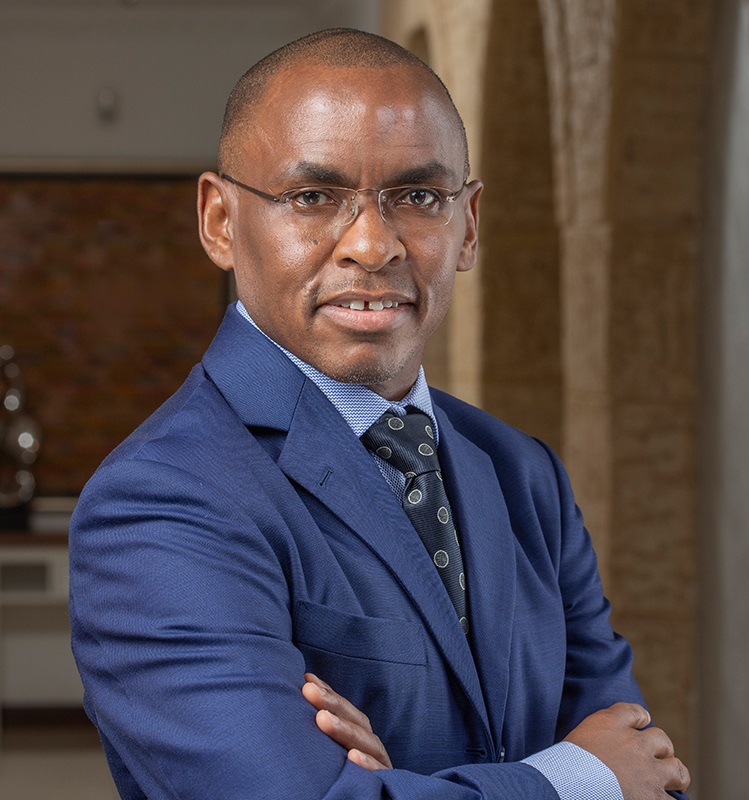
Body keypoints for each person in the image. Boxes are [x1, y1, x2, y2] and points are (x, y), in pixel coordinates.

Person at [69, 28, 690, 800]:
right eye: (314, 197)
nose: (372, 245)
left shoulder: (523, 474)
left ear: (468, 225)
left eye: (418, 196)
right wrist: (573, 777)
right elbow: (610, 772)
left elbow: (649, 777)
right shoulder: (159, 501)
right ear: (220, 221)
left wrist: (398, 786)